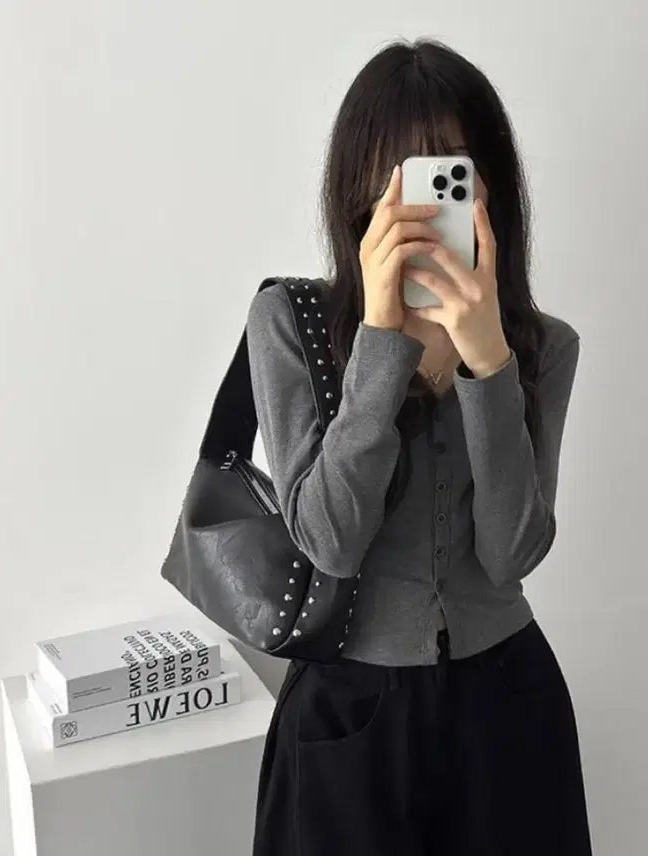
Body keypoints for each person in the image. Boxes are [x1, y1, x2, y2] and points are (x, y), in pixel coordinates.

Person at [247, 36, 592, 856]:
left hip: (507, 705)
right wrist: (381, 342)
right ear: (359, 188)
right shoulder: (291, 325)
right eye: (398, 176)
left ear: (488, 190)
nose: (421, 207)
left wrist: (489, 363)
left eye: (447, 173)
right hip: (347, 714)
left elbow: (511, 554)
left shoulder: (542, 346)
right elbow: (327, 540)